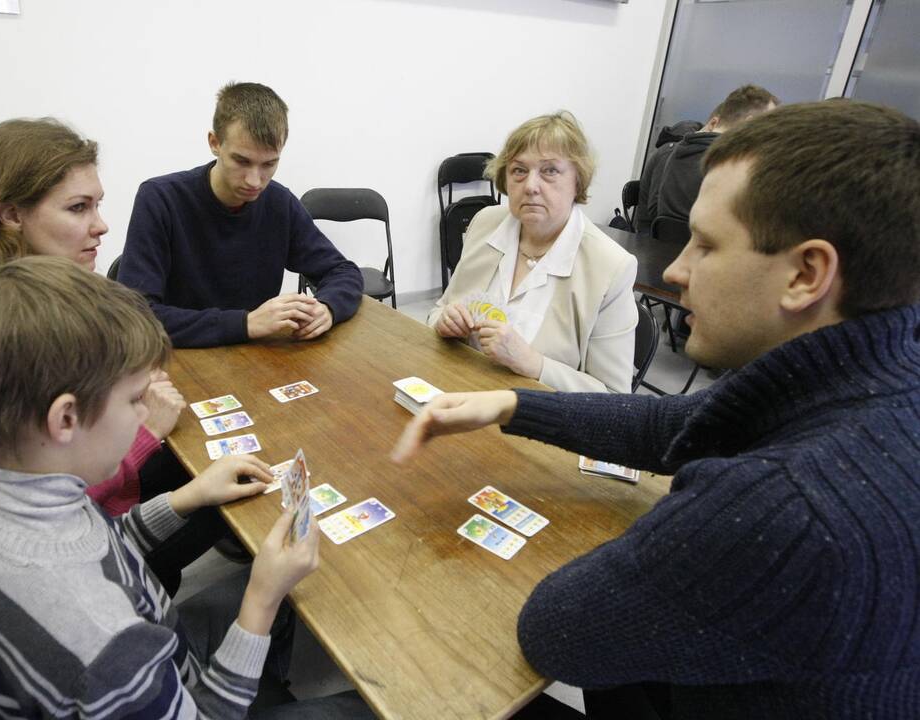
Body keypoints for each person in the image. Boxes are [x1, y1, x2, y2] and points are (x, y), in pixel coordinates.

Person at [393, 100, 920, 718]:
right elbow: (673, 419)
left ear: (807, 274)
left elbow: (557, 631)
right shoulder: (862, 377)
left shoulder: (786, 506)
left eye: (706, 244)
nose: (674, 269)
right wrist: (512, 406)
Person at [0, 256, 369, 718]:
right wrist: (260, 601)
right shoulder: (104, 641)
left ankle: (266, 683)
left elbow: (100, 548)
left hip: (156, 652)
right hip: (181, 692)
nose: (146, 414)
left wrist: (188, 496)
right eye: (136, 398)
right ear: (65, 419)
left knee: (290, 592)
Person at [0, 118, 213, 591]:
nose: (101, 225)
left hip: (92, 493)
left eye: (98, 204)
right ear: (10, 215)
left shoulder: (28, 307)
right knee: (233, 499)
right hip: (76, 547)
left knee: (221, 455)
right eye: (78, 208)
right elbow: (25, 516)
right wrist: (145, 432)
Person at [119, 81, 363, 348]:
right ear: (214, 143)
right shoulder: (160, 199)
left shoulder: (280, 203)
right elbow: (137, 316)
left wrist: (327, 308)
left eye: (269, 164)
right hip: (181, 357)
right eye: (242, 161)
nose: (255, 181)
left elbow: (343, 271)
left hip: (252, 356)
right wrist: (245, 324)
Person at [427, 111, 638, 393]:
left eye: (550, 171)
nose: (530, 186)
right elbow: (439, 310)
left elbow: (614, 398)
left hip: (538, 423)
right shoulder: (486, 223)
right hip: (461, 391)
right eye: (519, 170)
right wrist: (443, 321)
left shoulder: (611, 266)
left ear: (578, 181)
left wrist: (535, 364)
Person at [636, 84, 778, 234]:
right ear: (750, 124)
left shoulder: (676, 150)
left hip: (663, 245)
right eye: (766, 125)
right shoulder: (735, 164)